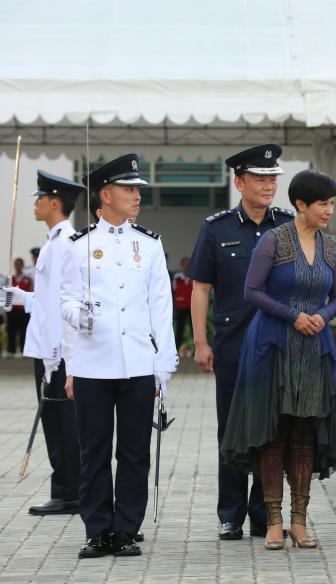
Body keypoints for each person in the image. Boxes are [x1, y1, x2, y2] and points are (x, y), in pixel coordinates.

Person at [220, 169, 336, 551]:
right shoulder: (273, 241)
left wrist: (324, 316)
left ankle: (299, 521)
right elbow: (251, 291)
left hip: (313, 348)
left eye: (332, 203)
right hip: (273, 345)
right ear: (301, 205)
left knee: (305, 436)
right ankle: (273, 522)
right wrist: (292, 315)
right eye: (323, 203)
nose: (329, 210)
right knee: (273, 435)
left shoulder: (330, 246)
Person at [61, 153, 178, 558]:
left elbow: (161, 306)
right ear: (106, 195)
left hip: (137, 362)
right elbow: (67, 302)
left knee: (133, 452)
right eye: (129, 189)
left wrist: (164, 364)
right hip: (94, 363)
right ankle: (97, 529)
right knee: (93, 451)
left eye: (138, 190)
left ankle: (126, 529)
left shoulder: (148, 244)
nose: (136, 196)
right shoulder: (79, 246)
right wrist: (78, 325)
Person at [188, 144, 295, 541]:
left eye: (273, 179)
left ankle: (264, 512)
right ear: (239, 182)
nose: (269, 186)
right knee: (231, 430)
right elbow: (201, 288)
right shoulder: (217, 228)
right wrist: (201, 342)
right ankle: (230, 513)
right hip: (233, 344)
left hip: (277, 342)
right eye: (260, 178)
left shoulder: (287, 225)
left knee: (272, 429)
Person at [2, 171, 82, 516]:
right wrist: (17, 295)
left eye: (40, 198)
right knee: (54, 421)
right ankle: (66, 488)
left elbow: (65, 303)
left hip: (56, 352)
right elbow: (47, 301)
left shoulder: (63, 244)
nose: (35, 204)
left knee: (62, 423)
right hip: (48, 349)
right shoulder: (55, 243)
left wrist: (59, 355)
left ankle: (68, 492)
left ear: (54, 203)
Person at [6, 258, 33, 357]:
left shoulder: (27, 279)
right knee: (11, 330)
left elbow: (29, 291)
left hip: (23, 309)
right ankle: (11, 350)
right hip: (13, 309)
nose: (17, 266)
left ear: (22, 265)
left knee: (23, 330)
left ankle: (23, 350)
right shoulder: (10, 279)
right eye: (16, 264)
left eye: (19, 264)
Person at [172, 257, 193, 352]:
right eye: (184, 265)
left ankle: (195, 348)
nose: (186, 267)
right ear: (181, 266)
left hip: (191, 306)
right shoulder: (177, 278)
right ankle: (176, 348)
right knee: (179, 328)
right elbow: (173, 291)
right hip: (180, 306)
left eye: (188, 265)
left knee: (194, 328)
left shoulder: (193, 277)